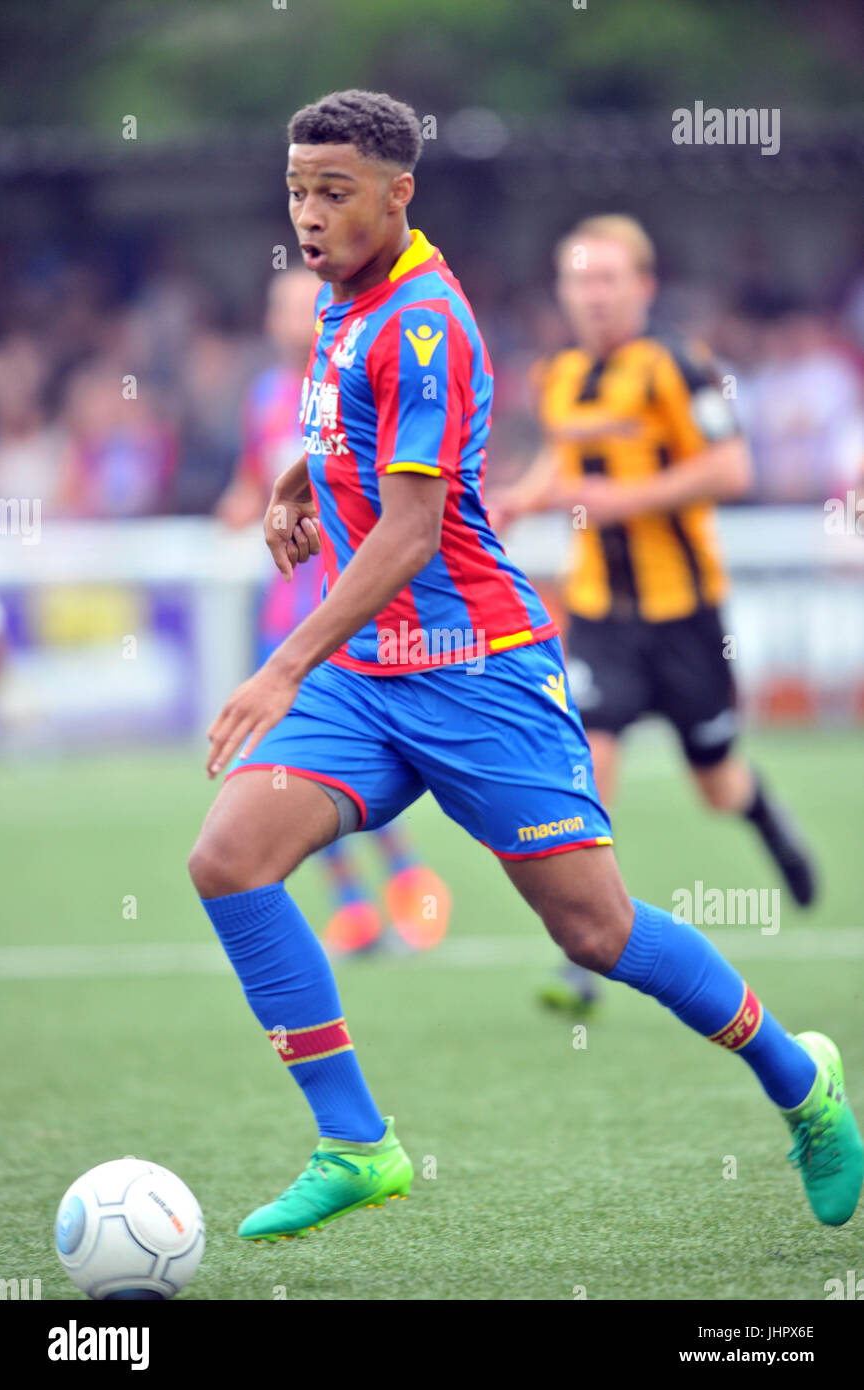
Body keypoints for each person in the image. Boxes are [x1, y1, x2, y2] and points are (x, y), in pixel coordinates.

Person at [188, 90, 862, 1243]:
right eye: (296, 189)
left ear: (398, 193)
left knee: (593, 934)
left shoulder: (424, 318)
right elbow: (362, 429)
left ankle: (800, 1085)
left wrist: (282, 665)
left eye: (332, 191)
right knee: (228, 857)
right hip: (371, 676)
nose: (307, 212)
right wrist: (304, 472)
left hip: (478, 672)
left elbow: (409, 534)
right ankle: (357, 1143)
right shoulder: (345, 306)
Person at [490, 215, 818, 1014]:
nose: (593, 297)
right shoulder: (559, 375)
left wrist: (620, 500)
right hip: (603, 613)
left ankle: (768, 819)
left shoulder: (680, 365)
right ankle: (584, 944)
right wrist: (522, 499)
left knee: (717, 783)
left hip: (686, 614)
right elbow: (565, 456)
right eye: (579, 281)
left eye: (609, 280)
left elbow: (731, 466)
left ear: (642, 286)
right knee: (590, 758)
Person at [216, 268, 450, 955]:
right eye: (281, 308)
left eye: (304, 306)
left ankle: (411, 880)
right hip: (283, 607)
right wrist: (236, 511)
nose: (295, 320)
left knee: (348, 758)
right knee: (289, 763)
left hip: (348, 606)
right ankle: (353, 905)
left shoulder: (353, 382)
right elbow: (252, 480)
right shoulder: (264, 397)